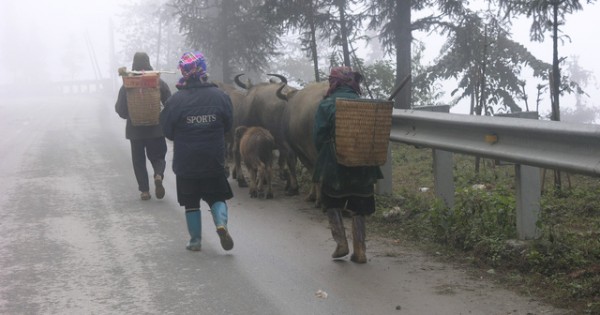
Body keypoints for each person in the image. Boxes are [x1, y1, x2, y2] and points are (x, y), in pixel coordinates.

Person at [160, 51, 234, 252]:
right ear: (203, 69)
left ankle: (195, 241)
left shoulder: (175, 101)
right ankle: (221, 224)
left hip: (186, 161)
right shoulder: (220, 96)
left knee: (191, 201)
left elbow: (167, 129)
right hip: (213, 158)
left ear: (183, 71)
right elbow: (228, 125)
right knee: (217, 196)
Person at [312, 66, 384, 264]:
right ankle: (360, 249)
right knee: (359, 205)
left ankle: (341, 243)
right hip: (363, 164)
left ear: (334, 83)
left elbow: (318, 136)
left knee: (332, 202)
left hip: (335, 163)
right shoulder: (366, 105)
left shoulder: (326, 105)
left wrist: (325, 152)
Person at [115, 52, 172, 201]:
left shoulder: (127, 84)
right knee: (158, 156)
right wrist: (162, 117)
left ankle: (145, 191)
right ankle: (158, 174)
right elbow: (170, 104)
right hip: (155, 128)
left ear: (134, 64)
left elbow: (120, 109)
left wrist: (132, 114)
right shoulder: (158, 81)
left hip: (135, 130)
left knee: (138, 161)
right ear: (148, 63)